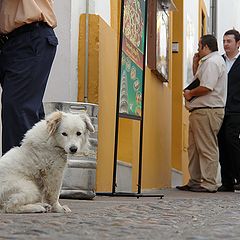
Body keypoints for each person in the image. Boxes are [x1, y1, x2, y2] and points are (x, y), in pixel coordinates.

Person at [0, 0, 58, 155]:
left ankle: (15, 176)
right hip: (12, 41)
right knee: (25, 113)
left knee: (18, 109)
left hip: (30, 36)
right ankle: (35, 174)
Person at [176, 34, 227, 193]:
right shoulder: (209, 62)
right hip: (201, 111)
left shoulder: (212, 62)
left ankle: (209, 183)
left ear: (206, 47)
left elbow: (207, 86)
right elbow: (200, 79)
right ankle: (196, 180)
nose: (198, 49)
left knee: (206, 147)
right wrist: (195, 64)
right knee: (194, 148)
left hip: (207, 111)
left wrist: (190, 94)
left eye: (199, 46)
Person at [217, 29, 240, 192]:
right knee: (222, 143)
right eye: (224, 41)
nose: (225, 44)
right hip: (219, 108)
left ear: (238, 44)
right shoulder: (219, 61)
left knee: (232, 141)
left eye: (229, 41)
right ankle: (227, 182)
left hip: (236, 109)